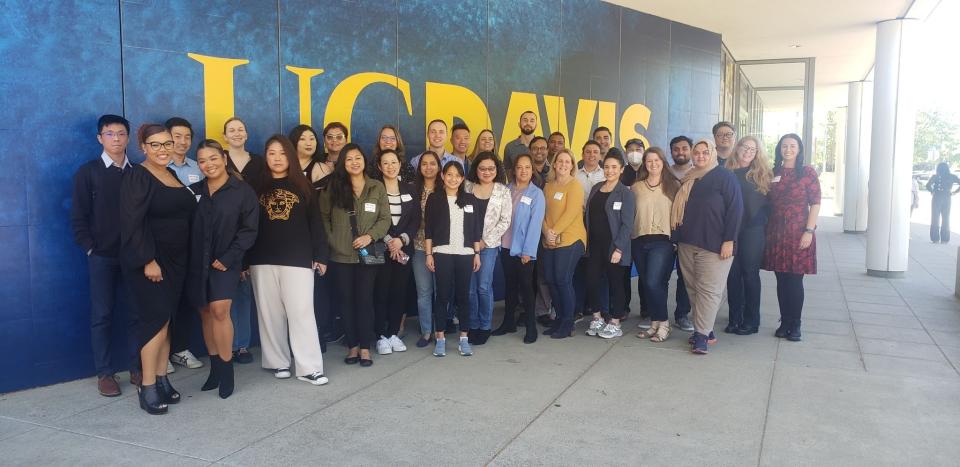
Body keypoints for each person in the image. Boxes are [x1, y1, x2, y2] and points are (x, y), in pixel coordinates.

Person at [120, 123, 197, 414]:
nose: (163, 149)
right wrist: (147, 260)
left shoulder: (172, 174)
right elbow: (131, 222)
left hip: (177, 262)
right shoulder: (137, 175)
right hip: (152, 263)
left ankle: (162, 379)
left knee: (167, 323)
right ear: (143, 147)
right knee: (154, 324)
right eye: (156, 145)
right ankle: (147, 385)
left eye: (167, 143)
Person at [247, 134, 329, 385]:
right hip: (262, 258)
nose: (277, 158)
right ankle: (277, 362)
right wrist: (243, 260)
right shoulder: (255, 185)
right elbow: (246, 225)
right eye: (271, 153)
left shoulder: (302, 184)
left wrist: (320, 255)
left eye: (282, 153)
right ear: (265, 156)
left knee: (302, 312)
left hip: (298, 258)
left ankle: (309, 367)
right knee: (270, 314)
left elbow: (316, 223)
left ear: (290, 156)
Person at [71, 114, 140, 397]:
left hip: (135, 257)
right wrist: (91, 247)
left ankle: (138, 367)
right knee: (102, 315)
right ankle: (105, 373)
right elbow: (78, 217)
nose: (116, 138)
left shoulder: (137, 173)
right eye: (109, 134)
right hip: (102, 257)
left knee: (137, 314)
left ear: (128, 138)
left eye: (121, 133)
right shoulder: (88, 172)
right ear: (100, 138)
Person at [186, 140, 258, 398]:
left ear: (224, 158)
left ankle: (227, 371)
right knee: (205, 312)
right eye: (203, 160)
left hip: (227, 262)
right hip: (197, 262)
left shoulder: (242, 191)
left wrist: (229, 258)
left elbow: (249, 230)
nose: (208, 164)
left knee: (219, 310)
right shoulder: (194, 191)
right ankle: (215, 369)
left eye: (213, 158)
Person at [320, 143, 391, 366]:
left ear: (364, 160)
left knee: (364, 300)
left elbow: (385, 219)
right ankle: (352, 347)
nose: (354, 162)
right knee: (346, 302)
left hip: (368, 254)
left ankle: (365, 347)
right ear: (343, 162)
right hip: (340, 256)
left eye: (358, 157)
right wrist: (335, 242)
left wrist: (370, 236)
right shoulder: (333, 186)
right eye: (349, 159)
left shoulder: (376, 186)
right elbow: (323, 218)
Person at [671, 139, 742, 355]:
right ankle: (707, 329)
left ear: (712, 153)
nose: (700, 156)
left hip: (715, 245)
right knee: (693, 288)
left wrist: (729, 240)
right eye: (697, 153)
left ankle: (700, 335)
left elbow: (735, 209)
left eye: (704, 152)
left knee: (709, 290)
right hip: (687, 242)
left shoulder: (725, 176)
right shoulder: (689, 177)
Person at [763, 134, 820, 342]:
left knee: (795, 281)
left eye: (792, 146)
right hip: (776, 232)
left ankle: (795, 324)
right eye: (784, 146)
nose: (788, 149)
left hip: (799, 232)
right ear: (779, 149)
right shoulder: (773, 172)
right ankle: (784, 321)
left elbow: (815, 203)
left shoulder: (807, 172)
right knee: (781, 280)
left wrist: (809, 231)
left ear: (799, 149)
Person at [424, 162, 483, 357]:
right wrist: (429, 254)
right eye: (449, 174)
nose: (453, 179)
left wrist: (477, 254)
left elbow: (475, 230)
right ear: (442, 175)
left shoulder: (470, 199)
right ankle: (440, 338)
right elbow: (429, 230)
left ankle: (464, 338)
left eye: (457, 175)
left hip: (466, 254)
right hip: (442, 253)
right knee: (442, 296)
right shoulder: (434, 199)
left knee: (463, 297)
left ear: (462, 178)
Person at [164, 117, 204, 372]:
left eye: (187, 137)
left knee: (187, 300)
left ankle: (180, 349)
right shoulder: (155, 168)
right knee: (165, 301)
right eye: (176, 136)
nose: (182, 141)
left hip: (194, 244)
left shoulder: (198, 168)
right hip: (167, 246)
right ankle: (162, 354)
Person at [371, 149, 420, 356]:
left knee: (398, 292)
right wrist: (390, 240)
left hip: (404, 248)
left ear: (400, 165)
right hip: (379, 247)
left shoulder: (409, 189)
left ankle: (393, 333)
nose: (390, 166)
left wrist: (401, 240)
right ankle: (380, 336)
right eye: (386, 163)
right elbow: (371, 218)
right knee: (379, 292)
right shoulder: (373, 189)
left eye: (394, 162)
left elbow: (415, 219)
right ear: (380, 167)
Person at [493, 153, 545, 343]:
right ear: (514, 170)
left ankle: (531, 327)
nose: (523, 171)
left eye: (527, 167)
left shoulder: (536, 194)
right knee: (510, 286)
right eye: (520, 167)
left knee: (527, 288)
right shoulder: (506, 190)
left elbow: (535, 225)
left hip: (523, 250)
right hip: (506, 247)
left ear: (532, 171)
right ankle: (508, 322)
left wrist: (528, 252)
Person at [222, 117, 262, 364]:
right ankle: (230, 344)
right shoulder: (220, 160)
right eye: (231, 130)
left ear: (246, 134)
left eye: (241, 129)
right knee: (229, 293)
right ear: (224, 136)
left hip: (256, 231)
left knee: (246, 291)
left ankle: (243, 345)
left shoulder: (258, 162)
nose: (237, 134)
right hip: (227, 234)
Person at [583, 154, 635, 339]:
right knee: (591, 280)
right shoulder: (597, 188)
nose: (609, 171)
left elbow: (627, 224)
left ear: (621, 169)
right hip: (595, 245)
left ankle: (615, 322)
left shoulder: (626, 193)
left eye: (614, 167)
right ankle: (597, 318)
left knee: (616, 284)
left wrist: (619, 248)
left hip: (614, 247)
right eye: (606, 167)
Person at [724, 136, 771, 335]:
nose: (748, 151)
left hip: (753, 230)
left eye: (753, 149)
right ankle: (735, 318)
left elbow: (770, 205)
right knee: (732, 275)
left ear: (757, 153)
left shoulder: (763, 174)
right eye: (745, 147)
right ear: (738, 148)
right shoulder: (726, 172)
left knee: (750, 275)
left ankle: (751, 320)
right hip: (731, 230)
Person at [632, 148, 680, 342]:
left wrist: (677, 240)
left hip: (663, 241)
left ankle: (664, 323)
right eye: (649, 161)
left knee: (654, 282)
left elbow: (680, 214)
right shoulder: (636, 187)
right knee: (648, 283)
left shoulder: (673, 185)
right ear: (644, 163)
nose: (653, 164)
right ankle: (655, 323)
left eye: (656, 160)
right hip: (639, 240)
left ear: (663, 162)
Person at [465, 152, 512, 345]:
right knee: (469, 289)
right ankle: (473, 324)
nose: (486, 172)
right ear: (476, 169)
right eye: (482, 168)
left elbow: (505, 221)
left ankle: (484, 325)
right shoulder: (466, 187)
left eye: (491, 168)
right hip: (466, 245)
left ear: (497, 170)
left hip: (489, 246)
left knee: (483, 287)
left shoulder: (503, 191)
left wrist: (484, 241)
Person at [540, 149, 587, 339]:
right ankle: (559, 319)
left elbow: (572, 212)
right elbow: (541, 213)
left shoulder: (575, 185)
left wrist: (554, 232)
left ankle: (568, 323)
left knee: (562, 279)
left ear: (573, 165)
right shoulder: (548, 186)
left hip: (571, 239)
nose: (563, 164)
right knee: (551, 279)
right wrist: (546, 232)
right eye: (560, 161)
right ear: (554, 163)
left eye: (568, 162)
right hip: (550, 239)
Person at [411, 151, 443, 347]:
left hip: (441, 249)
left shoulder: (446, 189)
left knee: (441, 291)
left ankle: (441, 329)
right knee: (423, 291)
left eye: (433, 163)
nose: (428, 167)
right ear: (419, 167)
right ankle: (426, 332)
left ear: (439, 167)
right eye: (424, 163)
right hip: (419, 246)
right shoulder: (413, 190)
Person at [668, 135, 694, 332]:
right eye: (676, 149)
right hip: (664, 232)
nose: (680, 152)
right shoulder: (664, 173)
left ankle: (682, 314)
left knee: (686, 276)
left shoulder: (699, 174)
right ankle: (653, 312)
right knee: (659, 275)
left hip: (688, 232)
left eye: (684, 148)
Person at [290, 124, 332, 189]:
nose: (308, 143)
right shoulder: (284, 165)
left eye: (312, 139)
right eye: (302, 139)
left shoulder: (322, 169)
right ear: (294, 142)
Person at [926, 162, 960, 243]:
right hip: (947, 197)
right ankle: (945, 239)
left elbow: (927, 185)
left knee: (935, 218)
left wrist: (932, 191)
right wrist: (955, 192)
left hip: (936, 197)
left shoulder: (935, 176)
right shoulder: (952, 176)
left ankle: (935, 239)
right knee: (946, 218)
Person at [503, 110, 538, 176]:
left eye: (532, 121)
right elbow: (508, 171)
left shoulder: (542, 146)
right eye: (525, 120)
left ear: (536, 125)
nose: (528, 123)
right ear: (519, 124)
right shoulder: (510, 147)